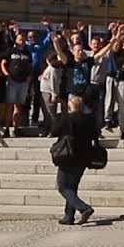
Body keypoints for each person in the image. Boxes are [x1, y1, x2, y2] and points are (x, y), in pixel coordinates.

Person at [52, 95, 97, 226]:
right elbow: (95, 135)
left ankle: (84, 208)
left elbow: (54, 131)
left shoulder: (66, 118)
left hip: (68, 156)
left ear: (70, 106)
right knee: (72, 186)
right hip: (83, 158)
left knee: (63, 187)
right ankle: (69, 216)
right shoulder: (89, 119)